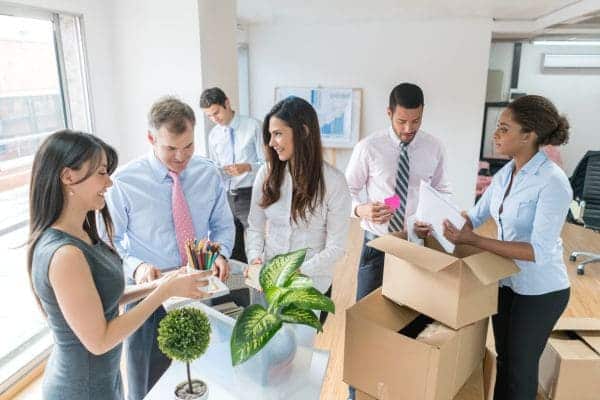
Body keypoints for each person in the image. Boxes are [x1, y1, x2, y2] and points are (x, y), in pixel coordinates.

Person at [29, 130, 211, 400]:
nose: (110, 182)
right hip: (81, 389)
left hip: (104, 379)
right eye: (101, 173)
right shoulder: (65, 255)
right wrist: (165, 292)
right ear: (68, 176)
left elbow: (102, 300)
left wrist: (158, 284)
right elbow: (100, 340)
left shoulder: (82, 233)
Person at [103, 96, 234, 400]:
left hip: (199, 289)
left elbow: (224, 226)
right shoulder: (124, 182)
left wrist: (222, 253)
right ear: (151, 138)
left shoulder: (208, 173)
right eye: (171, 148)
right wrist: (136, 266)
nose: (181, 157)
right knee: (147, 384)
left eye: (188, 146)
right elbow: (110, 243)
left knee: (206, 374)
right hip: (147, 296)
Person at [443, 95, 572, 400]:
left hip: (541, 291)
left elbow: (536, 250)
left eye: (504, 128)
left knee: (520, 369)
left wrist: (474, 241)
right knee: (504, 360)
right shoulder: (506, 173)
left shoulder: (552, 182)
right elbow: (474, 217)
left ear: (528, 135)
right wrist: (442, 221)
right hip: (506, 282)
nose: (495, 134)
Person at [245, 96, 351, 328]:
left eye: (278, 134)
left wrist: (294, 273)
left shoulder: (333, 182)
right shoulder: (266, 174)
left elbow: (336, 247)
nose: (271, 142)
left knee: (299, 358)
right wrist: (255, 259)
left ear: (302, 131)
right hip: (268, 284)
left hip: (310, 287)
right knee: (268, 356)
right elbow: (254, 225)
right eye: (270, 135)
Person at [345, 82, 452, 302]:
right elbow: (346, 191)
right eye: (401, 121)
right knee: (367, 312)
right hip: (377, 242)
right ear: (389, 113)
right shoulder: (368, 148)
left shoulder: (434, 147)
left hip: (416, 243)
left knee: (410, 314)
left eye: (416, 121)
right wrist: (361, 209)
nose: (408, 129)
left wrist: (434, 219)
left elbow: (442, 190)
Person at [201, 87, 264, 263]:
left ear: (227, 103)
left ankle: (263, 288)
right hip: (226, 196)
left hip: (250, 194)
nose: (215, 119)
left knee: (257, 246)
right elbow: (214, 168)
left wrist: (248, 167)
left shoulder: (253, 126)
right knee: (231, 250)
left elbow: (268, 164)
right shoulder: (213, 135)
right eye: (209, 116)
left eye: (216, 113)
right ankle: (238, 290)